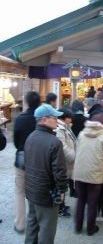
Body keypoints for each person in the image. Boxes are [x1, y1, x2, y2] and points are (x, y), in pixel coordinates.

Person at [24, 104, 68, 244]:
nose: (57, 120)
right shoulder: (54, 142)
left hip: (31, 190)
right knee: (47, 231)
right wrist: (61, 190)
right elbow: (59, 171)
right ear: (43, 119)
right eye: (54, 117)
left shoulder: (30, 137)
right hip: (47, 193)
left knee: (32, 226)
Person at [74, 111, 103, 236]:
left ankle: (78, 226)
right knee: (92, 202)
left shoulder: (82, 133)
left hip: (79, 172)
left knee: (80, 200)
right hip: (95, 173)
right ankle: (90, 229)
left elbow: (77, 150)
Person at [13, 91, 40, 234]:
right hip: (39, 160)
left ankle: (20, 224)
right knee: (36, 190)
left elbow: (16, 141)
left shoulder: (20, 118)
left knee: (19, 190)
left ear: (27, 102)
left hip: (23, 157)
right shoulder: (42, 118)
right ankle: (35, 223)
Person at [56, 107, 76, 217]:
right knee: (62, 185)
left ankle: (62, 205)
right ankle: (60, 208)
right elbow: (62, 147)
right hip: (64, 162)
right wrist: (73, 156)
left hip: (67, 162)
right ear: (64, 118)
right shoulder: (60, 129)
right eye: (70, 117)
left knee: (64, 185)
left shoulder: (65, 127)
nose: (71, 119)